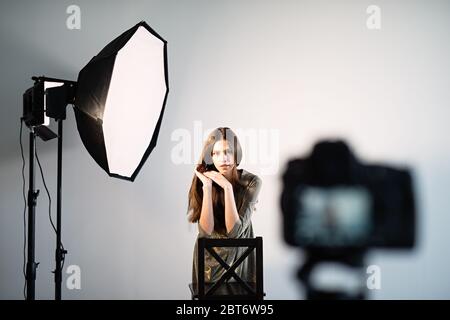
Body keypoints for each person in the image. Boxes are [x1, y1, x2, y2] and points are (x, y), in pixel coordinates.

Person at [187, 127, 262, 287]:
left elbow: (234, 232)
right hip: (208, 261)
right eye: (217, 153)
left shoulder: (251, 182)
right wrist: (207, 187)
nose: (224, 158)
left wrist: (227, 187)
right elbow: (205, 232)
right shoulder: (205, 179)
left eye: (228, 151)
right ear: (210, 156)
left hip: (240, 258)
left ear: (236, 154)